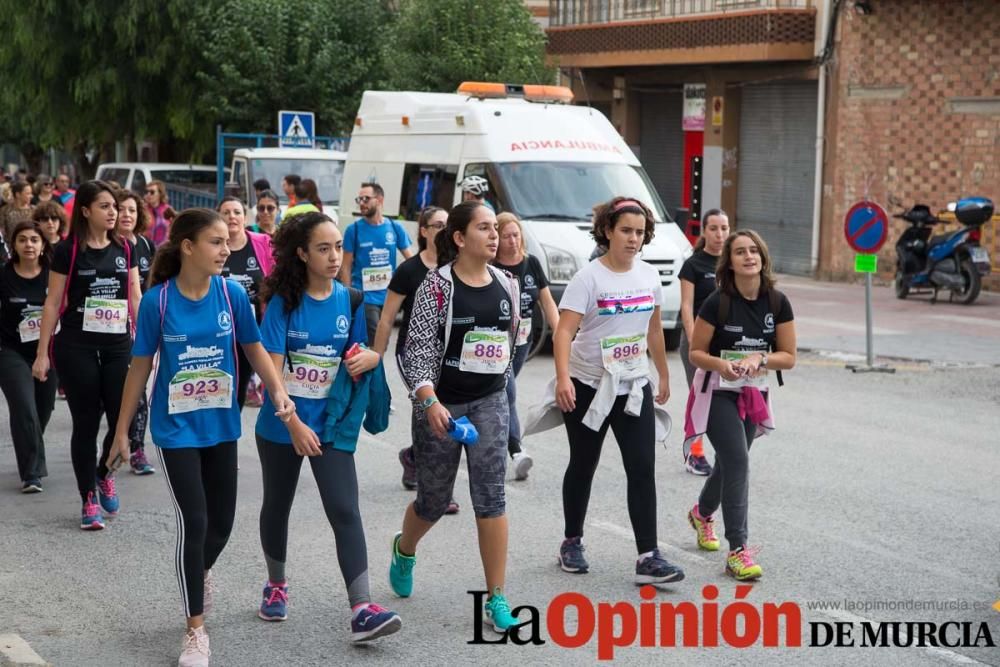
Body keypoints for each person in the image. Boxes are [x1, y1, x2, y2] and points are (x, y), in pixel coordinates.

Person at [108, 208, 296, 667]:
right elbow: (139, 367)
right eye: (215, 241)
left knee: (223, 523)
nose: (226, 248)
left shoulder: (232, 295)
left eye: (226, 241)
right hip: (175, 430)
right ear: (188, 246)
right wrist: (120, 433)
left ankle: (199, 570)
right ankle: (196, 632)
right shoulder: (159, 302)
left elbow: (255, 349)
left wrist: (279, 394)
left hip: (221, 425)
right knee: (194, 522)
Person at [253, 211, 402, 641]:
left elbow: (358, 355)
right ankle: (276, 584)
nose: (335, 256)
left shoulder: (351, 300)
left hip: (331, 425)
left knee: (344, 508)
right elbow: (273, 375)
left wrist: (372, 358)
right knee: (276, 506)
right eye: (323, 248)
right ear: (301, 254)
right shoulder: (283, 304)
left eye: (338, 246)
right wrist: (293, 421)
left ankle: (362, 608)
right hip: (282, 425)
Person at [388, 200, 523, 634]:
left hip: (489, 402)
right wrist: (430, 403)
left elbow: (510, 341)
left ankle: (496, 597)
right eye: (484, 228)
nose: (494, 235)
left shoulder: (507, 283)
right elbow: (417, 353)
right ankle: (405, 549)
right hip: (441, 404)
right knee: (432, 500)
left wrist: (500, 387)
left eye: (495, 228)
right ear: (461, 238)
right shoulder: (435, 288)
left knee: (492, 497)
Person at [550, 196, 684, 584]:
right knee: (583, 463)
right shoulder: (588, 277)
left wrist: (663, 372)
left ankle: (648, 556)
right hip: (588, 384)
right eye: (625, 230)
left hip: (631, 384)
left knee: (642, 467)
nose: (633, 239)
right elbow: (563, 331)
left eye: (640, 233)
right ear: (608, 231)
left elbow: (655, 328)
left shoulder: (647, 276)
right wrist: (562, 379)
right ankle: (571, 541)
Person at [685, 229, 796, 581]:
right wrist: (723, 365)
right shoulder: (717, 302)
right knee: (738, 460)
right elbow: (696, 353)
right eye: (740, 252)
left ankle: (702, 513)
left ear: (762, 258)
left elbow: (789, 357)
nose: (748, 257)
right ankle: (739, 550)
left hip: (753, 392)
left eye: (754, 251)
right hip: (718, 390)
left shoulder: (777, 302)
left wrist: (760, 359)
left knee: (732, 462)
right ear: (729, 262)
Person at [32, 180, 142, 530]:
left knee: (120, 416)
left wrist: (148, 344)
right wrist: (41, 354)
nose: (114, 213)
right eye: (105, 207)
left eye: (116, 207)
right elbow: (52, 302)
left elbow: (135, 297)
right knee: (86, 421)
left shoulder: (127, 248)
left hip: (118, 344)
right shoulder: (68, 250)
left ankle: (102, 473)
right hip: (77, 344)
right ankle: (88, 498)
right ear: (85, 211)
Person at [374, 206, 459, 513]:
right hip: (412, 353)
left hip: (448, 356)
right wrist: (376, 358)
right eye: (437, 225)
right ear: (423, 231)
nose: (443, 230)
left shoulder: (457, 267)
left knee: (444, 412)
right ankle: (433, 489)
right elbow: (386, 318)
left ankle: (412, 456)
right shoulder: (409, 270)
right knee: (425, 411)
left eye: (448, 225)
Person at [492, 212, 558, 481]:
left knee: (497, 392)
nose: (511, 240)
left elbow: (547, 301)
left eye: (515, 234)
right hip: (495, 341)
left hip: (522, 341)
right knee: (507, 392)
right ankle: (516, 450)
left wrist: (561, 334)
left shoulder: (531, 264)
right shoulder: (491, 265)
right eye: (505, 236)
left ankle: (480, 428)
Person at [0, 221, 57, 493]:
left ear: (43, 244)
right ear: (14, 245)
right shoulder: (4, 276)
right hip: (10, 351)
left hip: (48, 351)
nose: (29, 245)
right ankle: (31, 474)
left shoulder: (53, 275)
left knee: (42, 410)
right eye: (22, 240)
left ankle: (31, 446)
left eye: (34, 239)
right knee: (24, 406)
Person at [677, 209, 730, 476]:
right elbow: (686, 306)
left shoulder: (732, 262)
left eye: (724, 228)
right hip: (698, 342)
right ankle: (694, 454)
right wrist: (694, 339)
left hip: (726, 344)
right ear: (704, 232)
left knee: (728, 399)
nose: (719, 234)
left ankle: (728, 451)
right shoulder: (694, 265)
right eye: (714, 228)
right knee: (700, 397)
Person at [218, 197, 275, 409]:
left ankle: (231, 425)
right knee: (221, 381)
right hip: (219, 325)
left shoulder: (262, 243)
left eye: (236, 212)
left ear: (245, 217)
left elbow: (276, 279)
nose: (232, 216)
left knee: (240, 384)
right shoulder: (213, 244)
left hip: (253, 326)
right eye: (226, 212)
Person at [340, 182, 413, 346]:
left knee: (382, 342)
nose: (362, 203)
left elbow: (411, 259)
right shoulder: (354, 230)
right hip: (366, 297)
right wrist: (348, 296)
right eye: (359, 199)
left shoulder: (395, 227)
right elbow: (345, 265)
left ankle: (371, 368)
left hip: (389, 296)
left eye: (366, 199)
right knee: (373, 340)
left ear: (379, 199)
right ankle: (372, 369)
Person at [116, 190, 157, 475]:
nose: (126, 215)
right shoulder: (104, 247)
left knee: (140, 392)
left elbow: (152, 288)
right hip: (108, 329)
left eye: (132, 210)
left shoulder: (145, 245)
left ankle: (138, 448)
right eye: (121, 209)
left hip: (138, 324)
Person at [144, 180, 176, 246]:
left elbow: (174, 229)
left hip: (163, 248)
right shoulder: (143, 209)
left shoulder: (168, 209)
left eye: (152, 192)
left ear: (160, 193)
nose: (148, 194)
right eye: (147, 192)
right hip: (147, 247)